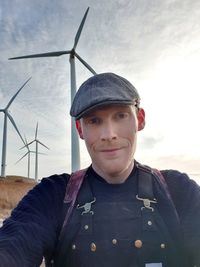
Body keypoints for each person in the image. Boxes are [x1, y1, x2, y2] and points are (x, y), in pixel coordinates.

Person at [0, 72, 200, 267]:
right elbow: (15, 242)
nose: (109, 134)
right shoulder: (53, 194)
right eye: (94, 121)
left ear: (140, 119)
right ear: (80, 129)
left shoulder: (178, 190)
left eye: (120, 116)